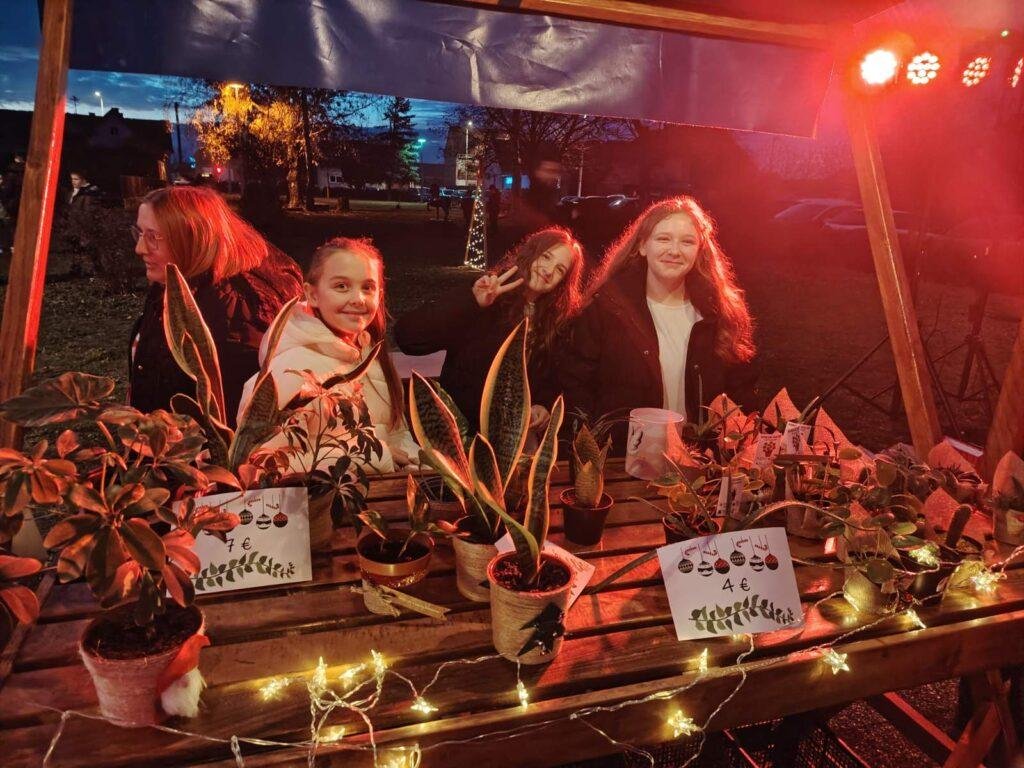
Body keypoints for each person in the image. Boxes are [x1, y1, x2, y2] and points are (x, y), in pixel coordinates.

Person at [560, 196, 757, 450]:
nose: (674, 251)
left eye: (687, 242)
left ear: (699, 251)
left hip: (700, 462)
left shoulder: (720, 314)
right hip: (624, 460)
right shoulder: (606, 309)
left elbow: (741, 391)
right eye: (663, 239)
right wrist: (596, 447)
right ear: (643, 246)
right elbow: (576, 387)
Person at [238, 237, 419, 473]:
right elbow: (263, 463)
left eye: (368, 287)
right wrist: (373, 458)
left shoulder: (372, 359)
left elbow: (397, 433)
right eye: (341, 286)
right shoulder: (290, 369)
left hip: (387, 493)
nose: (358, 299)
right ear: (312, 294)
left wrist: (419, 462)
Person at [128, 186, 303, 424]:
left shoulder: (234, 319)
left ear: (194, 238)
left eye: (153, 237)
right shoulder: (175, 282)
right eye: (140, 233)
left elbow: (231, 423)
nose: (139, 248)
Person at [395, 226, 584, 433]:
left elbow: (551, 379)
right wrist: (472, 302)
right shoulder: (489, 298)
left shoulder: (555, 322)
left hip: (513, 436)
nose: (548, 271)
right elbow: (408, 337)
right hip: (461, 432)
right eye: (546, 257)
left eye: (560, 269)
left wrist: (543, 404)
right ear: (531, 253)